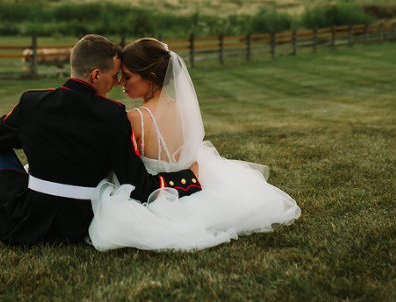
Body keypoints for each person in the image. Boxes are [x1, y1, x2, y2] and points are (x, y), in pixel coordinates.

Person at [0, 34, 201, 245]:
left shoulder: (32, 102)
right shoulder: (113, 115)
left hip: (23, 222)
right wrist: (186, 179)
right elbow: (137, 185)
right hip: (80, 223)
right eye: (114, 75)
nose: (117, 82)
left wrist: (31, 134)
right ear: (96, 75)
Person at [88, 38, 301, 252]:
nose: (120, 83)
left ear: (151, 77)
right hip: (193, 182)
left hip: (157, 190)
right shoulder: (185, 108)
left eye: (127, 77)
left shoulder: (135, 119)